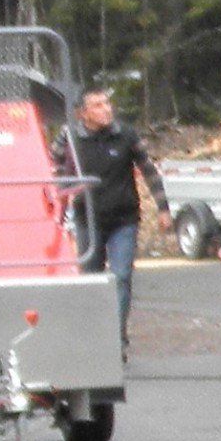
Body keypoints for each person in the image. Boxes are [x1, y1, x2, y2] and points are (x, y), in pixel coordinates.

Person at [71, 86, 167, 351]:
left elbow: (148, 169)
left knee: (121, 276)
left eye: (107, 104)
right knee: (90, 277)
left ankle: (117, 335)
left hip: (124, 218)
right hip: (87, 218)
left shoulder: (125, 134)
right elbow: (53, 169)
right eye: (98, 105)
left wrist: (163, 208)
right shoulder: (70, 137)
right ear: (83, 113)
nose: (106, 109)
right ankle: (93, 335)